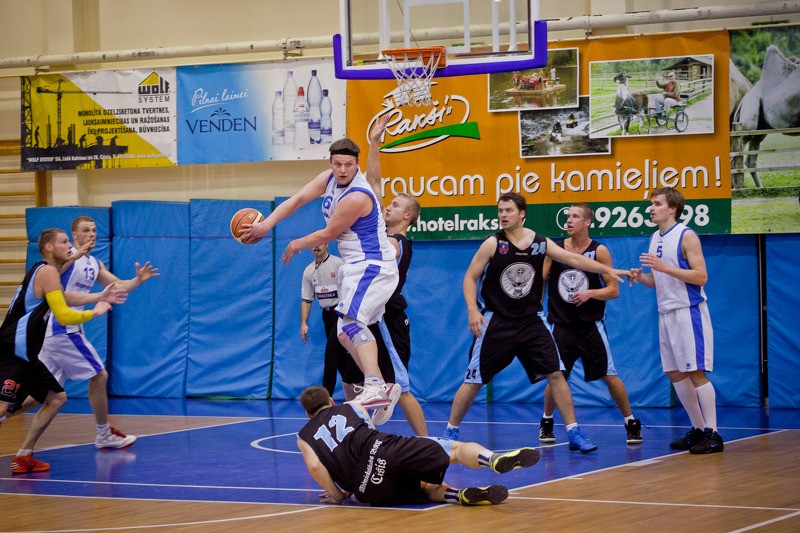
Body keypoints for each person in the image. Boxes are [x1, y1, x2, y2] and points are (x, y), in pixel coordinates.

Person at [442, 193, 631, 453]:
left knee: (556, 373)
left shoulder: (540, 243)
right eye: (500, 210)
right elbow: (469, 277)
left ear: (522, 214)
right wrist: (473, 311)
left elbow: (574, 259)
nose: (503, 214)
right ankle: (450, 432)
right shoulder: (493, 244)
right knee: (474, 379)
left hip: (531, 321)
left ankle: (573, 431)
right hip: (497, 320)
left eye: (508, 210)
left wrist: (608, 270)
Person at [240, 127, 400, 417]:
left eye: (348, 165)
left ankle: (376, 384)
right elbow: (298, 199)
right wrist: (266, 225)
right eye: (337, 164)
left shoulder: (357, 196)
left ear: (356, 165)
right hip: (356, 266)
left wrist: (295, 243)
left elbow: (328, 233)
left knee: (351, 325)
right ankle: (378, 385)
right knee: (343, 333)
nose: (342, 170)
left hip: (372, 265)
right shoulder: (328, 179)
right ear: (330, 163)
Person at [297, 385, 540, 507]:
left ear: (308, 414)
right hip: (382, 450)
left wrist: (339, 494)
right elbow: (369, 431)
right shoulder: (350, 405)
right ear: (331, 401)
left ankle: (459, 495)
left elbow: (315, 465)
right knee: (454, 450)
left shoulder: (303, 435)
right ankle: (492, 459)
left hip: (365, 487)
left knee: (424, 488)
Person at [34, 216, 158, 449]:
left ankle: (6, 416)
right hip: (62, 328)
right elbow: (57, 278)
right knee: (99, 376)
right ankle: (103, 433)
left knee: (42, 393)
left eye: (93, 230)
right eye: (85, 230)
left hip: (61, 330)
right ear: (74, 235)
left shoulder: (94, 263)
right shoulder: (67, 257)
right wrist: (75, 254)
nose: (91, 233)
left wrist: (138, 279)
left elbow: (117, 286)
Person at [0, 228, 117, 474]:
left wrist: (98, 292)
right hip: (13, 351)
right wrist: (95, 311)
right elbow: (63, 314)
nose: (70, 247)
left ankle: (23, 456)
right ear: (49, 247)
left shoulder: (47, 272)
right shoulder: (47, 272)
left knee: (56, 398)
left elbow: (65, 297)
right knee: (2, 407)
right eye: (64, 242)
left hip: (28, 353)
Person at [540, 203, 642, 445]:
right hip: (561, 326)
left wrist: (590, 294)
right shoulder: (554, 249)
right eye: (568, 216)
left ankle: (631, 422)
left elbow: (613, 290)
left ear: (587, 222)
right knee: (556, 376)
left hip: (590, 326)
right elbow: (541, 281)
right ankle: (546, 422)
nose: (569, 220)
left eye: (575, 216)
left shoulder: (599, 251)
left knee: (609, 376)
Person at [631, 187, 723, 454]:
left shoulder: (686, 235)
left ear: (672, 208)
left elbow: (701, 277)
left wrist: (664, 267)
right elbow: (658, 280)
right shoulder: (654, 237)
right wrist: (642, 277)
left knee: (695, 372)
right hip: (666, 313)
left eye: (657, 203)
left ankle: (714, 433)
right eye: (651, 204)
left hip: (688, 311)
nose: (651, 208)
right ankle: (697, 429)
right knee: (674, 372)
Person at [300, 243, 348, 395]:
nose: (315, 247)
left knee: (330, 353)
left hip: (341, 314)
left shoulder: (338, 264)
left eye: (319, 243)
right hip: (326, 315)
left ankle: (326, 397)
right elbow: (306, 300)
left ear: (326, 244)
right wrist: (303, 324)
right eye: (313, 244)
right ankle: (355, 387)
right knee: (339, 358)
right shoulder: (308, 271)